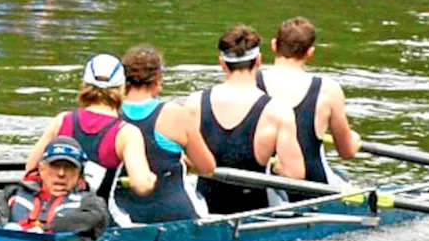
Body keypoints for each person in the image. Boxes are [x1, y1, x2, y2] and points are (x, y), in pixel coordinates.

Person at [184, 24, 304, 215]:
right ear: (258, 61)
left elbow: (186, 161)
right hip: (255, 213)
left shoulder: (193, 104)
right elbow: (295, 174)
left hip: (205, 213)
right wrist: (276, 165)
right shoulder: (278, 112)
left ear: (222, 64)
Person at [109, 44, 216, 225]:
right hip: (175, 213)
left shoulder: (109, 113)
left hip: (121, 216)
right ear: (158, 78)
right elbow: (207, 167)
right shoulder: (175, 114)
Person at [26, 53, 156, 200]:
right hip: (99, 215)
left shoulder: (62, 120)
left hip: (56, 212)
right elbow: (142, 186)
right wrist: (150, 178)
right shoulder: (126, 133)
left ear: (84, 85)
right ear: (122, 88)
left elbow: (31, 168)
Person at [257, 17, 360, 184]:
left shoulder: (250, 83)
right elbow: (346, 152)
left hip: (258, 184)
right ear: (310, 53)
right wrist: (354, 140)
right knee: (341, 177)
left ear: (274, 45)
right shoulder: (328, 90)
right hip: (312, 188)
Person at [0, 136, 110, 238]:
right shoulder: (9, 196)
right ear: (42, 168)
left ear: (79, 174)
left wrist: (44, 230)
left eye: (69, 168)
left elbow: (92, 220)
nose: (61, 174)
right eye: (55, 166)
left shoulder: (91, 203)